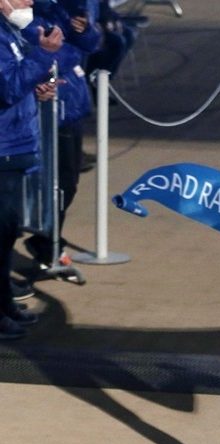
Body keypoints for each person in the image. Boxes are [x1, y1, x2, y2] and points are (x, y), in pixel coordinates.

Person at [0, 0, 63, 339]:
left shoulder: (9, 31)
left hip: (13, 146)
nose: (30, 2)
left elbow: (14, 83)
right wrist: (43, 56)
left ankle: (4, 304)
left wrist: (35, 89)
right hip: (4, 149)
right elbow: (6, 87)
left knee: (6, 233)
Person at [22, 0, 100, 270]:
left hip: (70, 105)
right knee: (52, 182)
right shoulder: (26, 14)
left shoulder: (61, 8)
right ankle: (46, 242)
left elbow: (92, 44)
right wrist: (72, 49)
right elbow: (48, 57)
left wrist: (83, 31)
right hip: (47, 110)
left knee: (67, 182)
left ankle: (48, 241)